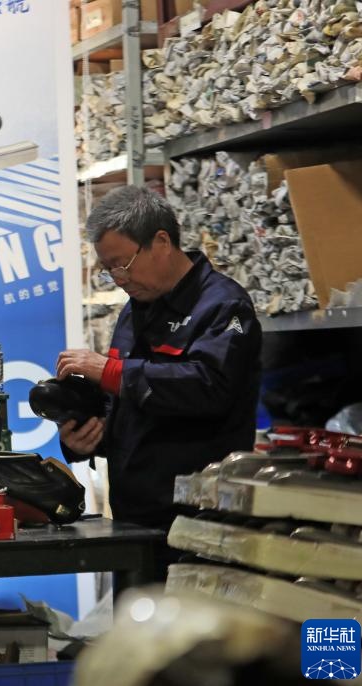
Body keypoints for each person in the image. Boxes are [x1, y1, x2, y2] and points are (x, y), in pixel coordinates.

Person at [56, 185, 262, 577]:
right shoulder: (134, 312)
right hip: (134, 522)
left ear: (162, 242)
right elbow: (130, 403)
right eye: (109, 269)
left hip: (198, 524)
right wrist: (86, 438)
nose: (119, 278)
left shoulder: (223, 306)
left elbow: (209, 388)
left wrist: (112, 372)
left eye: (123, 264)